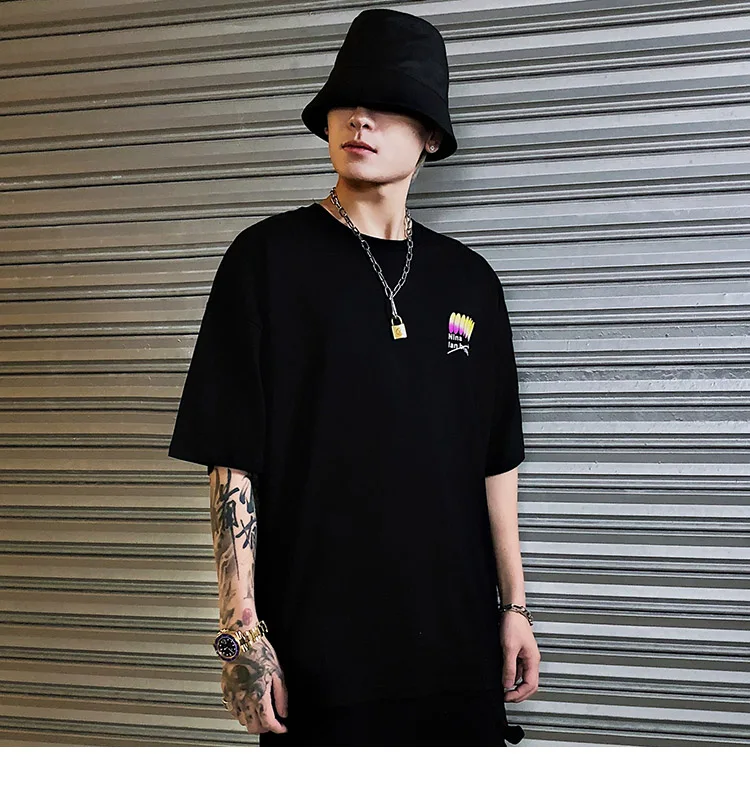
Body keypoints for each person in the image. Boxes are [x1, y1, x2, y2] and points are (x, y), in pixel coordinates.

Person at [167, 8, 540, 747]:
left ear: (430, 137)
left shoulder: (471, 280)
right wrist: (240, 635)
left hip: (457, 647)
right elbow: (232, 459)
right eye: (346, 101)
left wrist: (515, 606)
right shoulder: (265, 261)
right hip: (319, 652)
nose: (360, 118)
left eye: (388, 105)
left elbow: (496, 460)